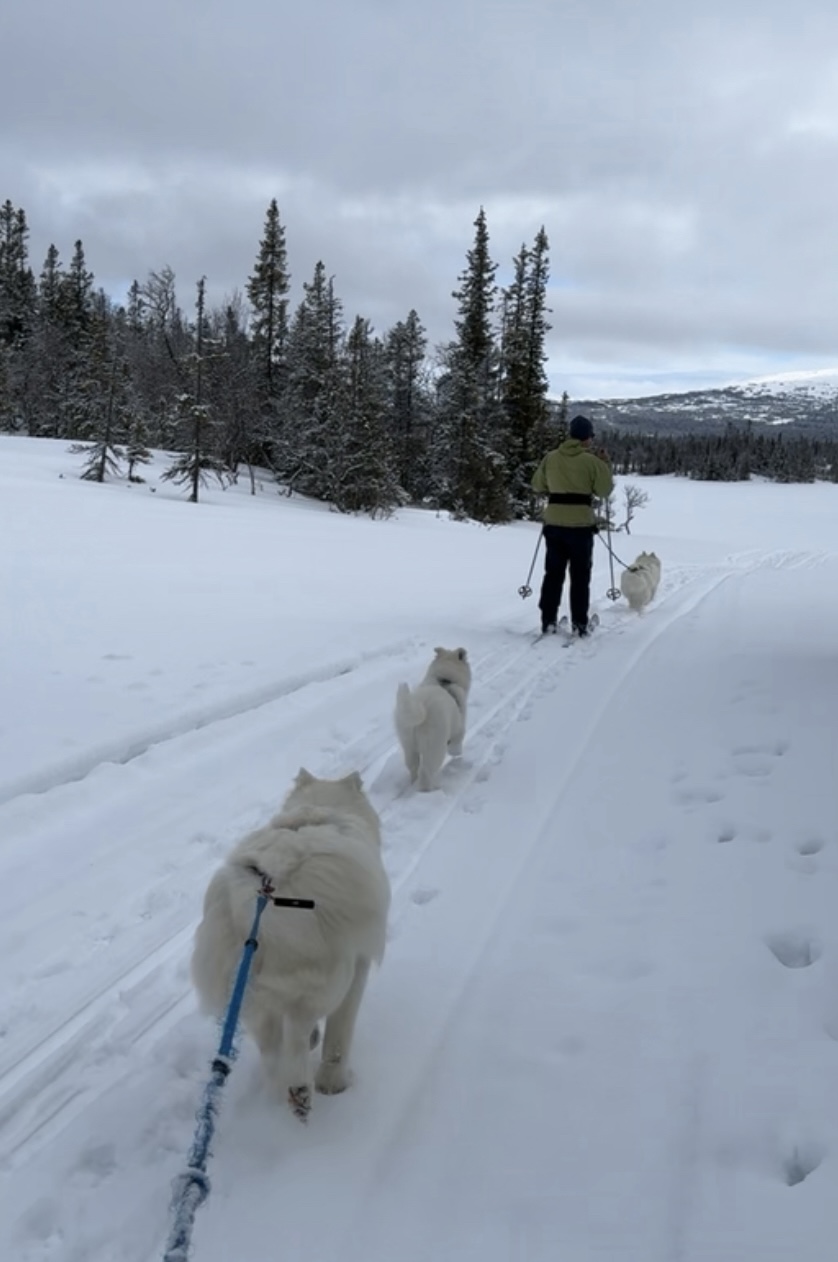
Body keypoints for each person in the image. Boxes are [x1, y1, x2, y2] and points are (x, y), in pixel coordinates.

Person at [531, 414, 613, 636]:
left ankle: (548, 620)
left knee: (553, 575)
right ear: (587, 438)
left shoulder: (551, 458)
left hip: (554, 524)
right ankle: (579, 623)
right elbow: (604, 491)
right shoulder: (593, 462)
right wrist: (605, 463)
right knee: (580, 577)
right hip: (580, 527)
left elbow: (537, 485)